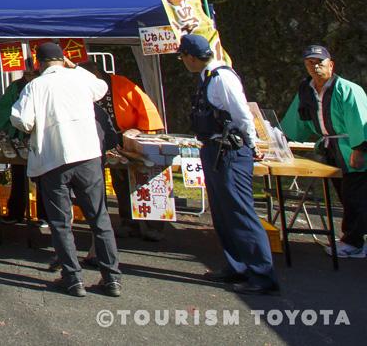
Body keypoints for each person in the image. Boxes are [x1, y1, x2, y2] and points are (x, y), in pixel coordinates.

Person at [11, 40, 121, 298]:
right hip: (88, 156)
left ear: (39, 63)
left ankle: (73, 279)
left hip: (54, 158)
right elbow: (101, 87)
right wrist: (77, 67)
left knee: (61, 222)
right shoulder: (80, 79)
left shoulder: (35, 86)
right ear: (63, 60)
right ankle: (112, 278)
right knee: (99, 218)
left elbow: (22, 120)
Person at [178, 32, 280, 295]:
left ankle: (262, 274)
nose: (183, 62)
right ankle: (237, 265)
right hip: (213, 148)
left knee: (240, 211)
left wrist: (253, 143)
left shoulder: (222, 77)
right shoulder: (206, 77)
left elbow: (242, 114)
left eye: (183, 57)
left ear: (191, 57)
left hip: (231, 151)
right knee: (222, 211)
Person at [279, 44, 367, 259]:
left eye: (320, 62)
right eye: (310, 62)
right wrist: (281, 139)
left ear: (331, 64)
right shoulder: (306, 90)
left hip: (352, 148)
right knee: (344, 196)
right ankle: (353, 239)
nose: (315, 66)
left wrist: (360, 149)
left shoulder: (347, 89)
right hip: (330, 148)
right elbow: (296, 121)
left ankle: (353, 242)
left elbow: (361, 119)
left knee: (356, 196)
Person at [81, 61, 166, 242]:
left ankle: (154, 226)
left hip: (134, 135)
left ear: (96, 72)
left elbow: (146, 107)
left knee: (145, 180)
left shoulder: (121, 83)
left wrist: (144, 133)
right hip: (108, 139)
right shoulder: (85, 88)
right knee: (120, 182)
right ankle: (129, 223)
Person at [0, 58, 38, 223]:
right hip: (19, 138)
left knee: (44, 178)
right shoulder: (15, 86)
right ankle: (16, 212)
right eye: (26, 71)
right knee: (19, 175)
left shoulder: (44, 85)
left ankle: (44, 215)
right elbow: (4, 107)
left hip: (42, 137)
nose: (29, 74)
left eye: (32, 71)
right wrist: (13, 125)